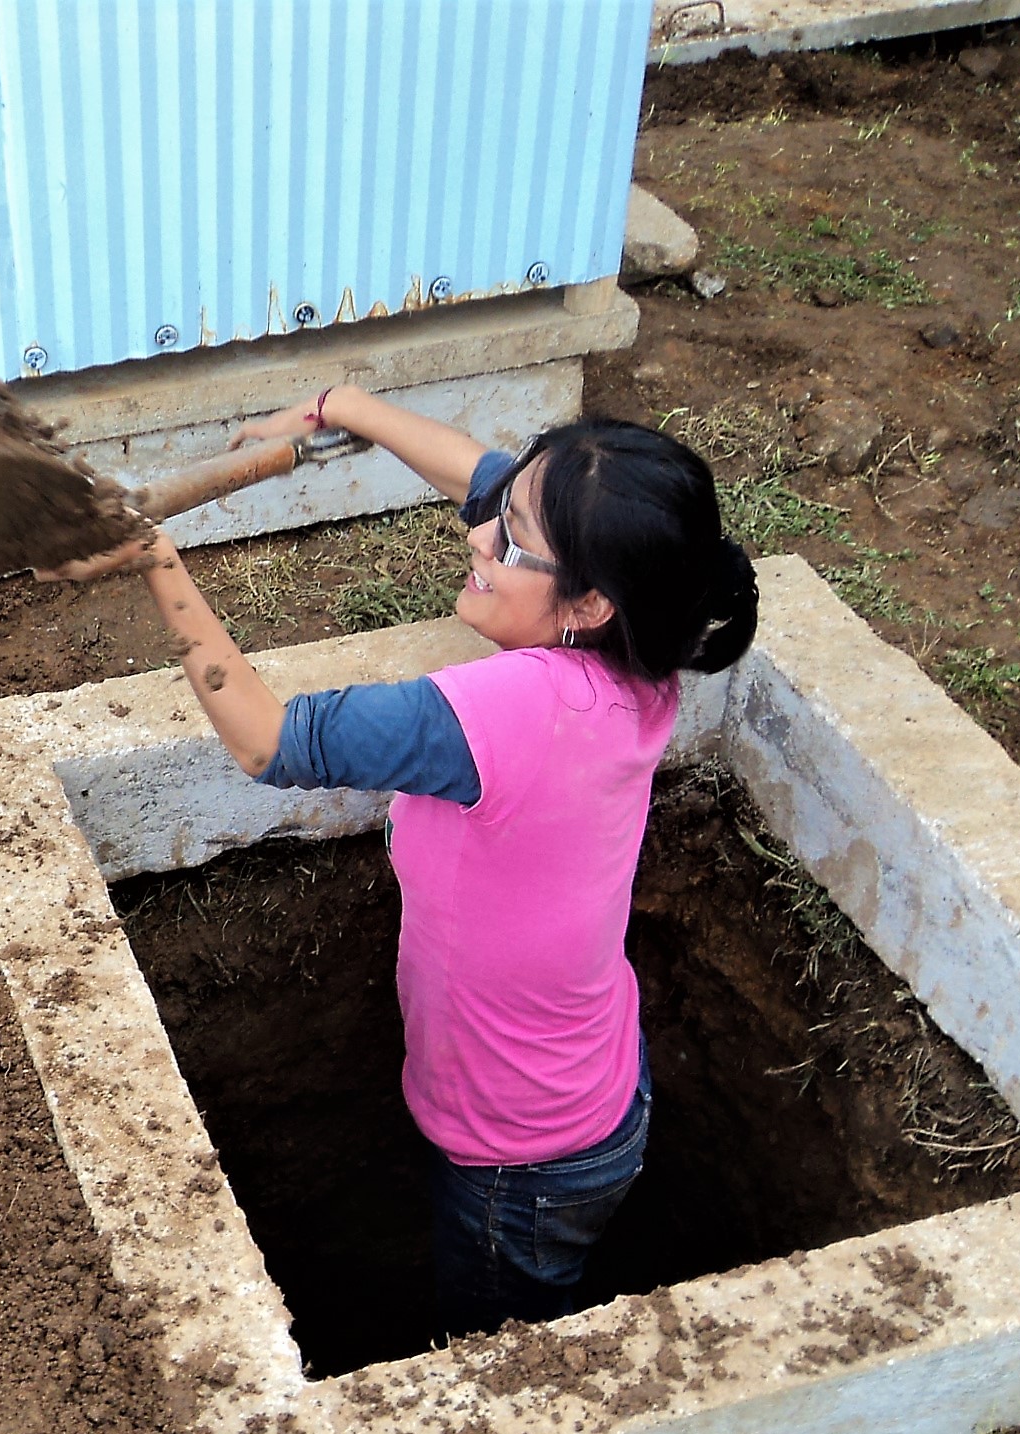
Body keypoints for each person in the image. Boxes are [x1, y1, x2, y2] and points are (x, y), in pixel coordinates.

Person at [44, 385, 759, 1342]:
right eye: (500, 521)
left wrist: (160, 564)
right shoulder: (646, 650)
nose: (480, 539)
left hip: (520, 1159)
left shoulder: (504, 714)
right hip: (589, 1093)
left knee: (502, 1341)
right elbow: (479, 478)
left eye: (511, 544)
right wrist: (346, 407)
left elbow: (267, 742)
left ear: (590, 600)